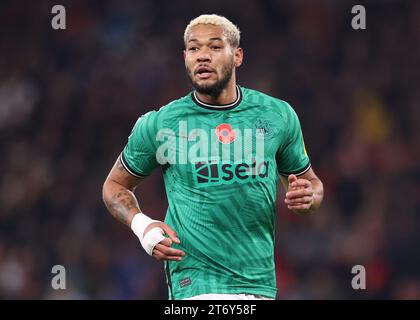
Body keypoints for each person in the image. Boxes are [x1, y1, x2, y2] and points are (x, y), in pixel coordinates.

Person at [102, 14, 324, 300]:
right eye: (194, 49)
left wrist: (309, 197)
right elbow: (114, 186)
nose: (203, 56)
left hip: (260, 286)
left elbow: (311, 184)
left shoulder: (277, 115)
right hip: (196, 287)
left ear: (237, 56)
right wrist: (143, 227)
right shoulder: (160, 124)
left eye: (215, 47)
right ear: (185, 57)